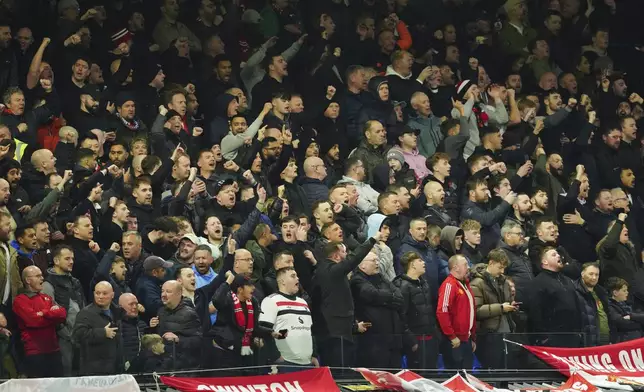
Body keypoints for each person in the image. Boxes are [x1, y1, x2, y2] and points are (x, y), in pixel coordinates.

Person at [259, 267, 317, 372]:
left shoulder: (303, 302)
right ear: (282, 281)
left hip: (307, 364)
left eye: (297, 276)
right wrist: (275, 357)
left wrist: (314, 355)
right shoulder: (271, 301)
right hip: (285, 363)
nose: (297, 279)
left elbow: (310, 331)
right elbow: (264, 332)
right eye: (293, 276)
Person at [13, 266, 67, 378]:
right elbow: (33, 321)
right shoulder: (20, 300)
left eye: (41, 275)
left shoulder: (46, 297)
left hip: (54, 350)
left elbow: (62, 314)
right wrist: (51, 316)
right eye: (38, 276)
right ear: (28, 280)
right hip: (35, 353)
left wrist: (43, 313)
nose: (42, 278)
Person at [470, 250, 516, 369]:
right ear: (491, 263)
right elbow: (477, 310)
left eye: (504, 268)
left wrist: (512, 305)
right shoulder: (477, 283)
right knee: (492, 370)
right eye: (500, 267)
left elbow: (507, 301)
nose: (502, 271)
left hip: (506, 331)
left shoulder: (504, 282)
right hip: (489, 335)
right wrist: (501, 308)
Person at [528, 247, 582, 347]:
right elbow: (535, 311)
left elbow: (576, 304)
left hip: (572, 333)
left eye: (558, 254)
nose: (558, 256)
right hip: (552, 336)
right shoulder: (538, 282)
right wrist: (543, 335)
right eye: (553, 255)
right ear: (545, 261)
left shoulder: (567, 280)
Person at [393, 251, 438, 371]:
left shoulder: (424, 283)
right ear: (412, 264)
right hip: (415, 341)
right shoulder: (402, 286)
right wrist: (411, 340)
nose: (424, 263)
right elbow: (401, 316)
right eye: (420, 260)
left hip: (430, 338)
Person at [72, 281, 121, 375]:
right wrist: (103, 332)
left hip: (114, 368)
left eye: (105, 293)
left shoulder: (117, 312)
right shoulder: (85, 313)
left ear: (112, 295)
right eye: (97, 293)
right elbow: (78, 336)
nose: (100, 296)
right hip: (94, 370)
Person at [436, 255, 476, 369]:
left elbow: (471, 312)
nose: (468, 267)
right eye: (465, 265)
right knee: (455, 376)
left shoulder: (466, 284)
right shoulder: (449, 284)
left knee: (467, 376)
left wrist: (472, 337)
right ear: (456, 267)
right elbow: (442, 312)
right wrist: (452, 336)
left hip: (466, 339)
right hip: (454, 341)